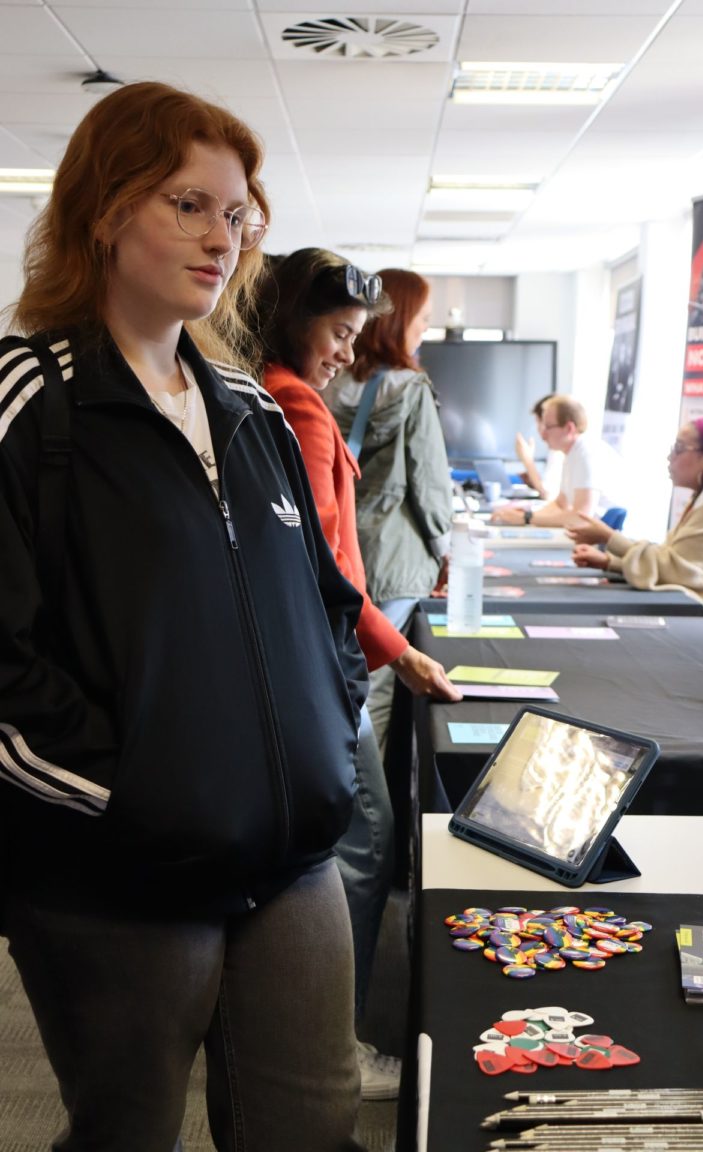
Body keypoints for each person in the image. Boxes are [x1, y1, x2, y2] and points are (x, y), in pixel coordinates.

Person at [0, 82, 371, 1152]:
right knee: (128, 1131)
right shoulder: (33, 403)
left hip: (294, 858)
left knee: (311, 1126)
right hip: (119, 871)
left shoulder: (252, 411)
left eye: (239, 212)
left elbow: (328, 608)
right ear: (107, 209)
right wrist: (135, 794)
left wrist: (325, 744)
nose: (225, 238)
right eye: (189, 205)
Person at [248, 248, 460, 1100]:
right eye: (337, 333)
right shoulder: (292, 402)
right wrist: (398, 648)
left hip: (331, 650)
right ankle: (335, 1048)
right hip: (327, 658)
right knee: (364, 844)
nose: (344, 353)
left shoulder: (284, 391)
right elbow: (321, 568)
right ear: (296, 320)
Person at [323, 268, 456, 756]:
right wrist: (447, 553)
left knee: (344, 679)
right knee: (375, 691)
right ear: (397, 322)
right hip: (397, 559)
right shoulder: (411, 389)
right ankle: (371, 818)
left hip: (342, 554)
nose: (423, 330)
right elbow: (429, 484)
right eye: (420, 320)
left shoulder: (326, 384)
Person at [568, 416, 703, 647]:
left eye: (679, 448)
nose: (669, 457)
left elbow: (678, 571)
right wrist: (609, 561)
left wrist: (608, 537)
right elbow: (676, 563)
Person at [491, 394, 625, 528]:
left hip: (603, 542)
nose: (542, 434)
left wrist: (527, 518)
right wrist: (522, 515)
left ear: (569, 428)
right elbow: (560, 504)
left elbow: (582, 517)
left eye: (548, 427)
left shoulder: (587, 453)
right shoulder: (572, 453)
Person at [514, 394, 564, 499]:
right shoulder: (556, 449)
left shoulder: (560, 450)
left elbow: (548, 495)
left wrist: (528, 461)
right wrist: (532, 480)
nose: (541, 430)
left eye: (539, 422)